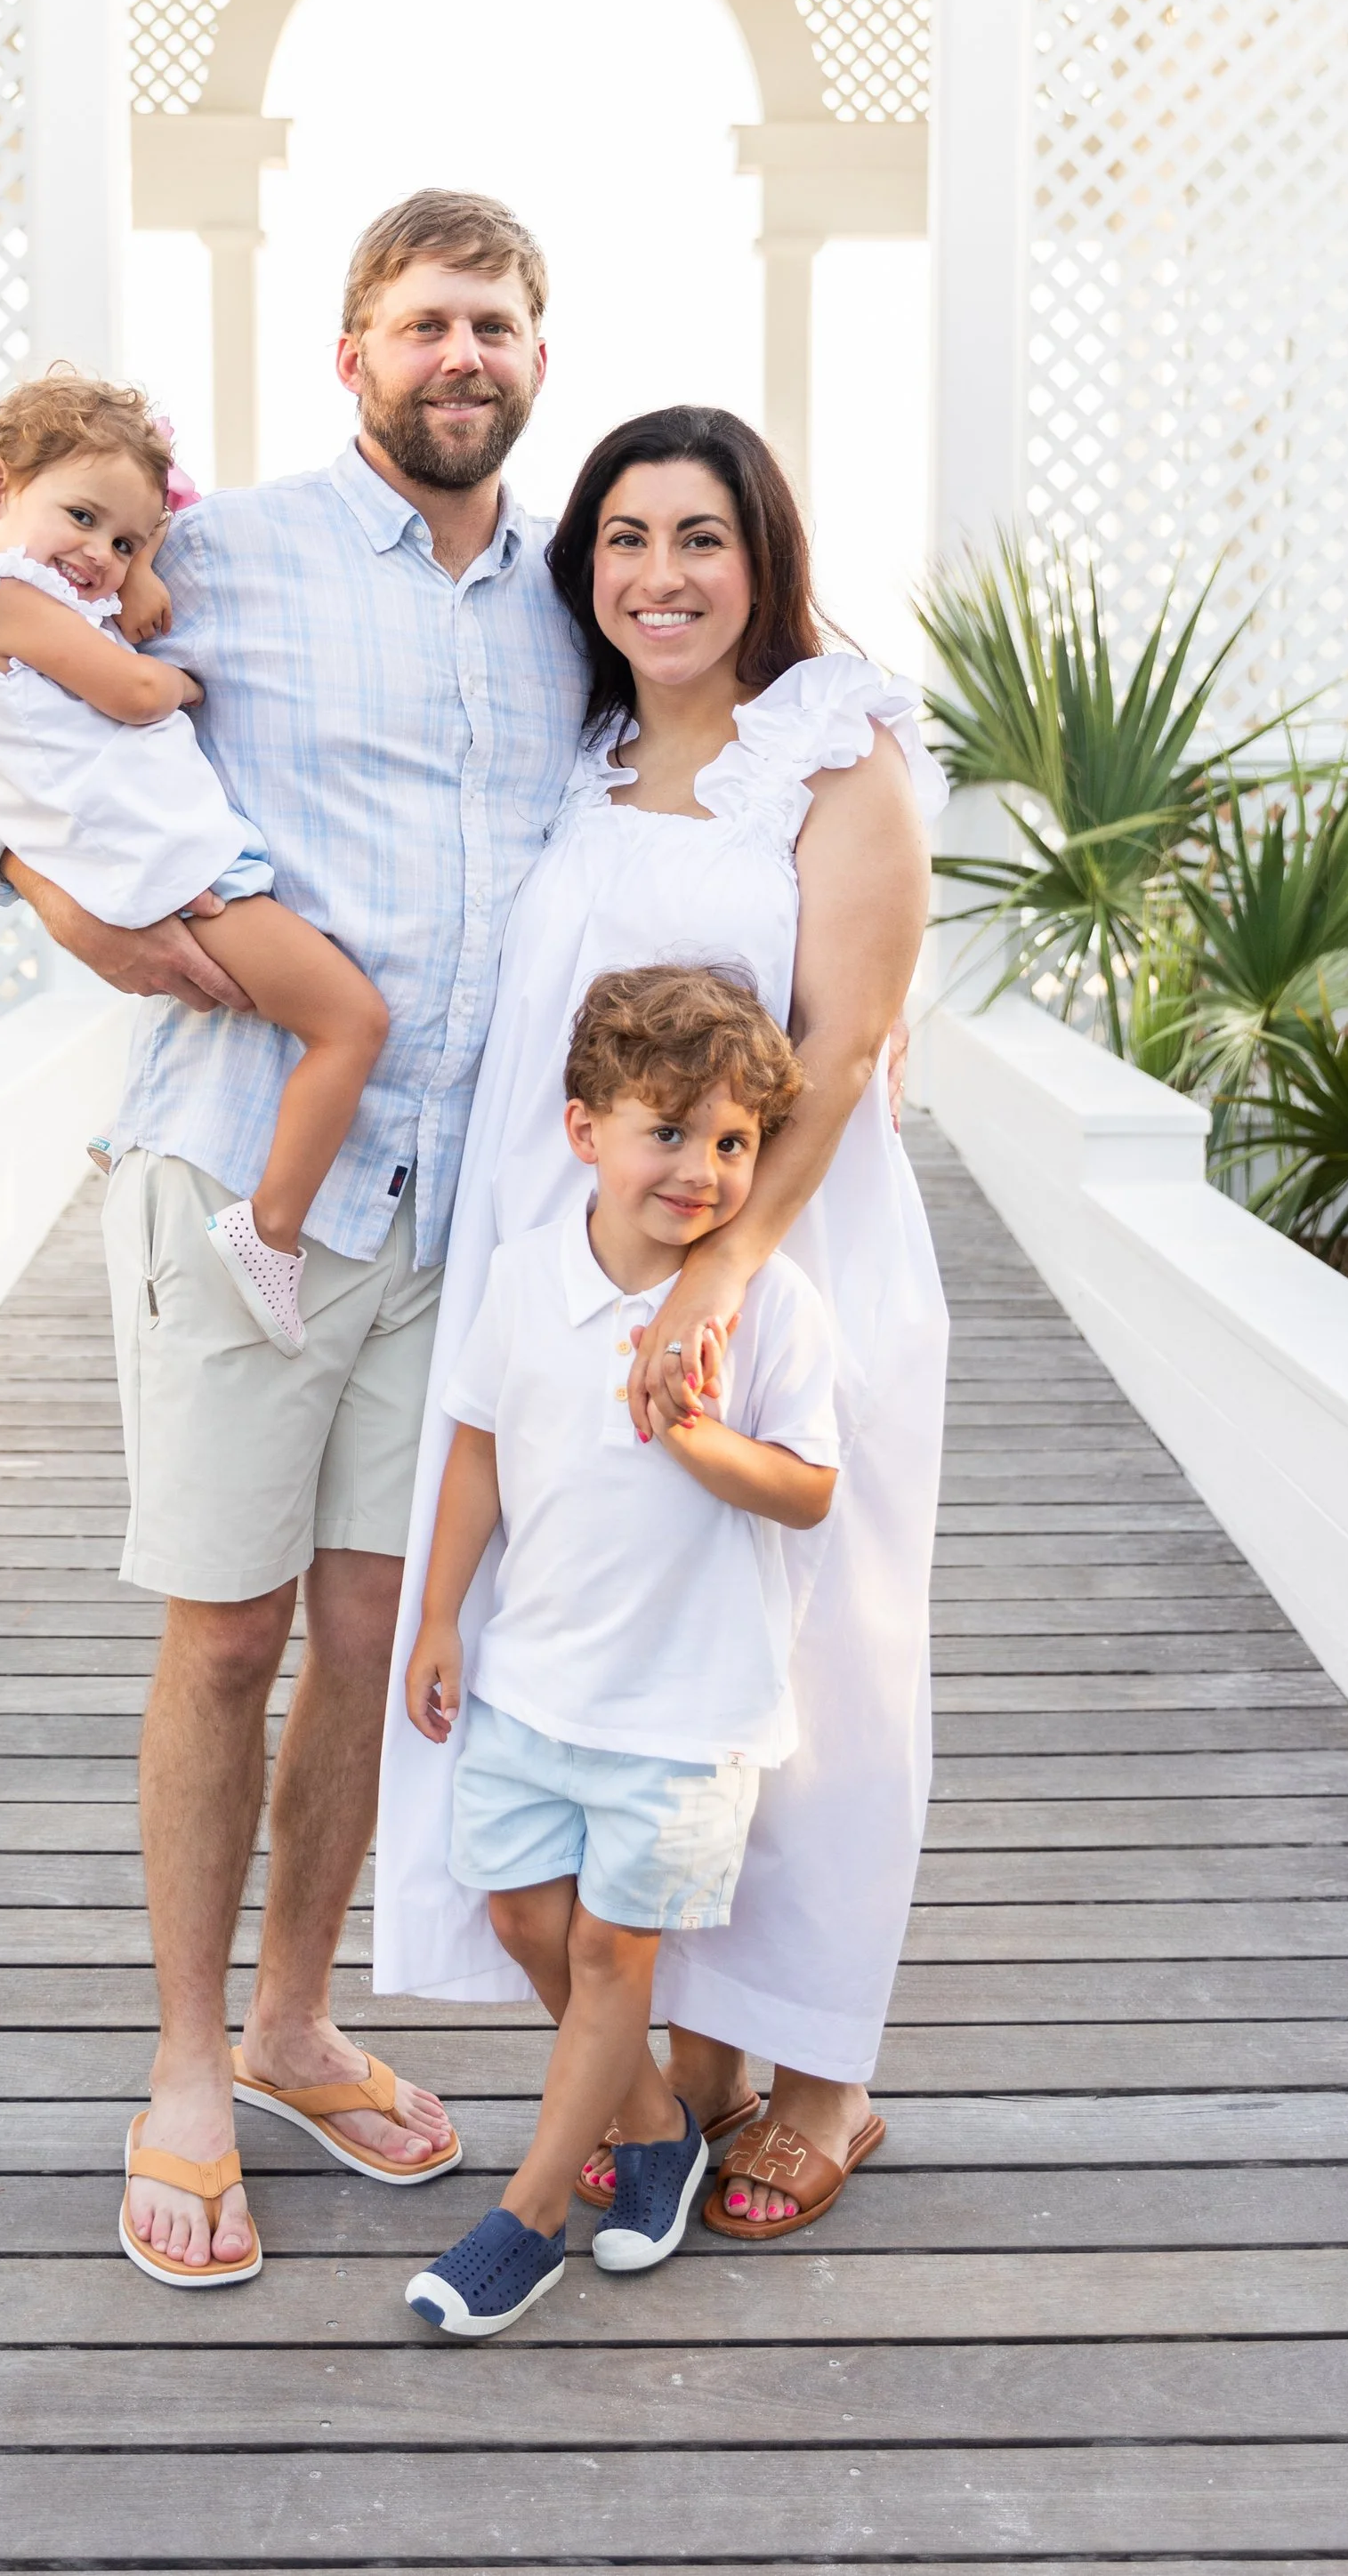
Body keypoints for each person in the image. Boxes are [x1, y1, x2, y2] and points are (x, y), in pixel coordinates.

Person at [0, 194, 587, 2287]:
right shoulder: (212, 553)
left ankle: (296, 2016)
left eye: (494, 323)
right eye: (425, 321)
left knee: (360, 1632)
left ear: (534, 354)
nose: (462, 355)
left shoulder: (573, 596)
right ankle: (175, 2057)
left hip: (464, 1203)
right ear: (351, 354)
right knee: (223, 1632)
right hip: (248, 1164)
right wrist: (81, 917)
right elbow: (7, 739)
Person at [375, 402, 948, 2244]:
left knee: (811, 1666)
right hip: (565, 1283)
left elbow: (847, 1045)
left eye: (697, 538)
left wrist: (718, 1276)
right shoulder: (588, 753)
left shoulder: (832, 755)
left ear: (760, 559)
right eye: (623, 540)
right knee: (616, 1650)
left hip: (781, 1264)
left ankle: (827, 2077)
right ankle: (690, 2041)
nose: (658, 576)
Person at [400, 965, 839, 2338]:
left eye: (733, 1143)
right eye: (670, 1132)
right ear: (586, 1129)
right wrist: (436, 1613)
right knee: (526, 1913)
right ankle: (655, 2127)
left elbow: (814, 1487)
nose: (703, 1171)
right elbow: (476, 1443)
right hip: (535, 1683)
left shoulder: (771, 1313)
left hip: (683, 1713)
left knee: (610, 1952)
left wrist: (702, 1439)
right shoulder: (528, 1278)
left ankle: (528, 2217)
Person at [0, 374, 388, 1353]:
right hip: (183, 868)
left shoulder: (34, 586)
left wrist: (134, 563)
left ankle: (128, 1123)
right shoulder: (3, 598)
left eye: (126, 539)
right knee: (351, 1021)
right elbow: (133, 690)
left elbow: (146, 525)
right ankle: (269, 1229)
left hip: (163, 857)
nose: (100, 555)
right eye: (83, 519)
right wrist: (186, 681)